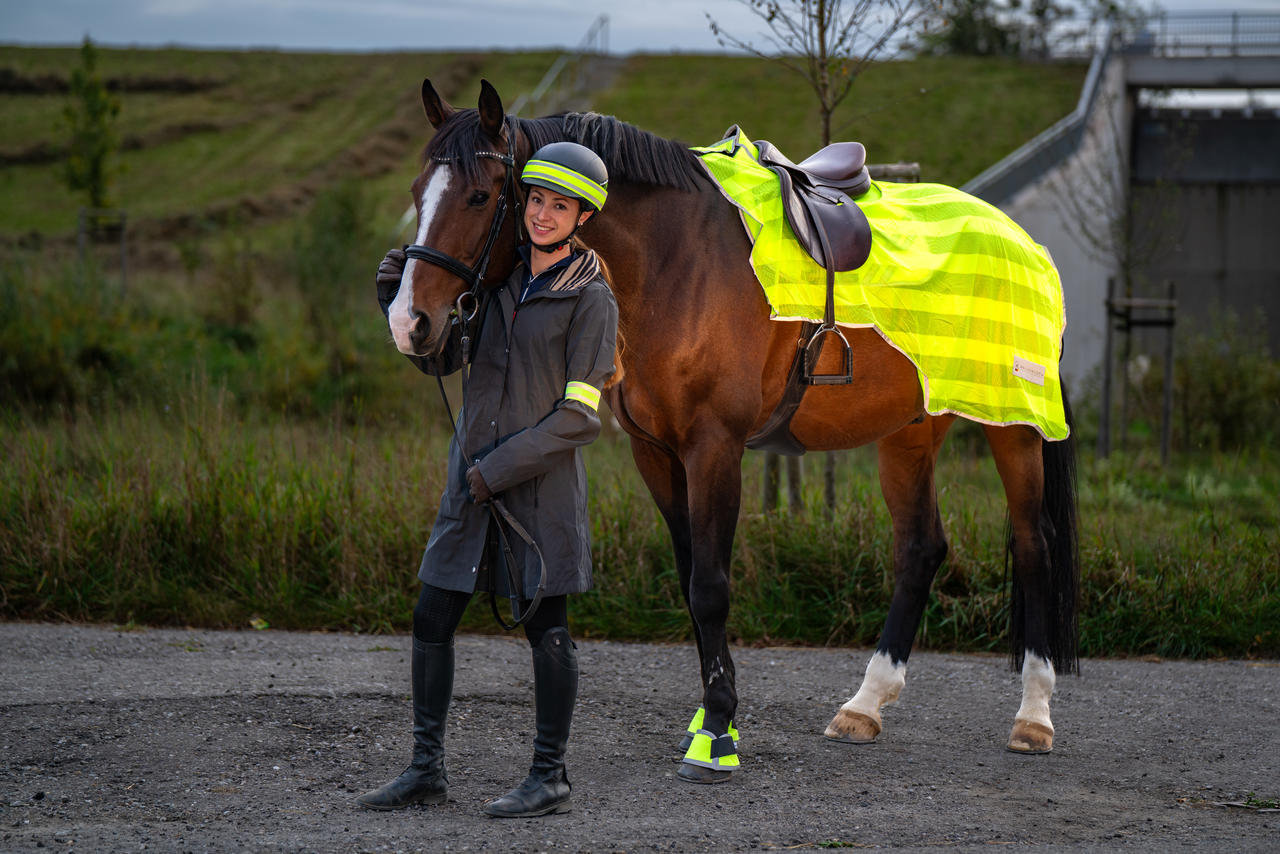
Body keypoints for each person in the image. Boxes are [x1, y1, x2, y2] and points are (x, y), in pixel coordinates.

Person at [359, 142, 618, 818]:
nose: (543, 213)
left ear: (581, 216)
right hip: (468, 485)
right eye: (536, 200)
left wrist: (497, 470)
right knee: (430, 615)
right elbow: (440, 363)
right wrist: (394, 296)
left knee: (547, 629)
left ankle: (549, 777)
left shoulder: (591, 300)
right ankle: (424, 770)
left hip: (538, 493)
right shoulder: (496, 286)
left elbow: (580, 419)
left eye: (559, 205)